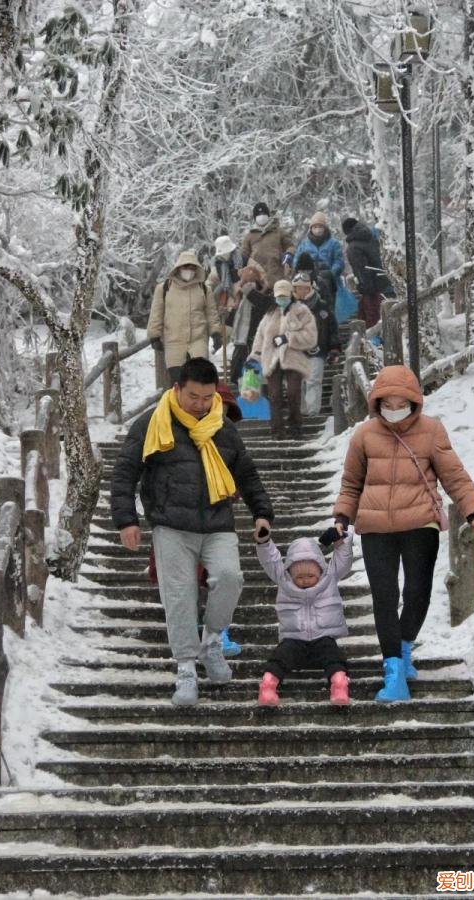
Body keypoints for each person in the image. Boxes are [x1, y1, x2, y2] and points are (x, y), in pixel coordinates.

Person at [110, 357, 274, 706]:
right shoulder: (153, 424)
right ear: (177, 390)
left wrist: (262, 512)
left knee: (230, 578)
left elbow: (246, 474)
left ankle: (212, 640)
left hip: (217, 523)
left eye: (207, 397)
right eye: (194, 397)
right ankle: (186, 669)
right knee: (180, 595)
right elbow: (125, 470)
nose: (201, 405)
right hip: (171, 524)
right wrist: (126, 520)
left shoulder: (223, 426)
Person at [332, 364, 474, 702]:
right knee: (384, 597)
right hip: (375, 527)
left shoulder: (431, 431)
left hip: (420, 523)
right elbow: (351, 483)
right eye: (387, 402)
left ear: (415, 401)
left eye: (401, 401)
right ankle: (394, 673)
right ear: (377, 402)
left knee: (418, 592)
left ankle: (403, 649)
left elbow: (455, 476)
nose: (394, 408)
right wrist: (342, 516)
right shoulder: (363, 435)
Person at [256, 528, 353, 707]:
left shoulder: (329, 578)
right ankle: (268, 685)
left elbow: (343, 561)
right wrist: (264, 542)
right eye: (299, 577)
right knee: (280, 656)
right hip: (294, 639)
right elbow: (271, 561)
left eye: (310, 576)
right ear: (290, 575)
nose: (305, 580)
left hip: (323, 637)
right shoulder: (284, 582)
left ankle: (339, 684)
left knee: (334, 655)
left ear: (319, 572)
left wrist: (340, 543)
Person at [248, 279, 317, 441]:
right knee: (274, 395)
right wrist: (254, 355)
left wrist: (288, 338)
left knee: (293, 392)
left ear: (290, 295)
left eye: (284, 296)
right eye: (279, 296)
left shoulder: (302, 311)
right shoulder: (269, 314)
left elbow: (311, 337)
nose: (281, 299)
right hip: (271, 358)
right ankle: (277, 430)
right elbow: (260, 336)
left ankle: (295, 426)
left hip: (293, 357)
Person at [147, 249, 223, 385]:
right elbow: (156, 314)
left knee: (199, 381)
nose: (189, 270)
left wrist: (216, 333)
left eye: (192, 267)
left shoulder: (204, 289)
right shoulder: (164, 288)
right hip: (174, 341)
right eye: (186, 267)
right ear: (178, 268)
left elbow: (211, 314)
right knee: (178, 383)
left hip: (198, 341)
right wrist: (154, 335)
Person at [291, 271, 340, 417]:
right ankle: (301, 410)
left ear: (309, 288)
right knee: (297, 383)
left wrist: (335, 348)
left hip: (318, 349)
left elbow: (332, 328)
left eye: (304, 287)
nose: (301, 291)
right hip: (295, 350)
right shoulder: (289, 308)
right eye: (298, 287)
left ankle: (313, 411)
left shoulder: (322, 307)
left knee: (313, 380)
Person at [341, 217, 395, 328]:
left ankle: (374, 342)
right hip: (386, 284)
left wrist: (364, 288)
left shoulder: (353, 247)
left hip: (373, 291)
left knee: (372, 322)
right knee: (389, 320)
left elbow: (362, 271)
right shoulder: (372, 237)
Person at [227, 264, 274, 386]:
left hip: (254, 342)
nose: (247, 284)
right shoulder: (241, 295)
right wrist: (228, 312)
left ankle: (253, 398)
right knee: (238, 375)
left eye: (249, 280)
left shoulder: (266, 293)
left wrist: (250, 293)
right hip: (241, 342)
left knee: (253, 376)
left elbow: (264, 306)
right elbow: (232, 321)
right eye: (244, 281)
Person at [292, 211, 344, 308]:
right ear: (311, 229)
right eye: (315, 227)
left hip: (328, 277)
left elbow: (339, 261)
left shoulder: (333, 243)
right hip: (308, 278)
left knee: (328, 303)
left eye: (320, 227)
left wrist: (332, 272)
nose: (318, 230)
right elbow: (296, 260)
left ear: (325, 228)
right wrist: (300, 273)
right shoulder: (304, 244)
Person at [241, 202, 295, 287]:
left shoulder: (278, 232)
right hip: (257, 279)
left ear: (268, 215)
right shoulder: (249, 236)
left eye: (263, 214)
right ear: (255, 218)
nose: (261, 217)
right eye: (258, 215)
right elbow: (244, 254)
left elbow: (290, 246)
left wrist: (289, 254)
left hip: (277, 275)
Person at [206, 235, 242, 312]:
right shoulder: (216, 263)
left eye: (225, 252)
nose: (223, 255)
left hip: (239, 300)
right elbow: (211, 280)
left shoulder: (242, 260)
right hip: (222, 301)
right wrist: (205, 290)